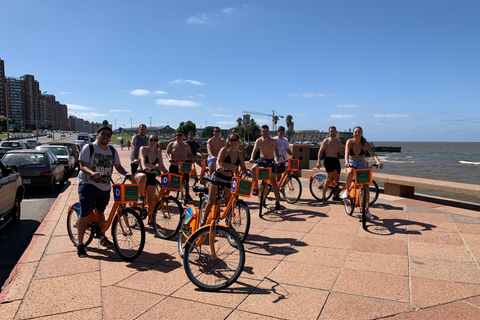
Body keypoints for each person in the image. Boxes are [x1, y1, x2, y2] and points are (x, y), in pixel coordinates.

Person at [76, 125, 133, 258]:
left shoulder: (112, 150)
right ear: (97, 134)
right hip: (88, 184)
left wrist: (126, 174)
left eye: (108, 134)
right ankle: (80, 244)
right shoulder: (89, 148)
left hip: (105, 187)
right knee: (85, 213)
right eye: (103, 134)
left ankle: (102, 237)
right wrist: (92, 173)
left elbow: (118, 166)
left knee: (101, 212)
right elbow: (82, 165)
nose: (106, 136)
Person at [203, 132, 249, 224]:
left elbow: (242, 166)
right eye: (231, 140)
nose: (233, 142)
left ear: (238, 141)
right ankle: (203, 221)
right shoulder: (224, 150)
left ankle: (229, 223)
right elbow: (218, 161)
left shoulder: (240, 154)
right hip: (218, 177)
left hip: (229, 179)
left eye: (235, 140)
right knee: (211, 200)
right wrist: (219, 166)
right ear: (229, 141)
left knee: (229, 203)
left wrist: (246, 173)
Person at [343, 126, 383, 220]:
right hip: (351, 162)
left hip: (361, 163)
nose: (357, 134)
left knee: (366, 187)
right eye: (355, 132)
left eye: (359, 132)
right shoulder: (350, 142)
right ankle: (347, 190)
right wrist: (347, 163)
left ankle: (367, 210)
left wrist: (378, 161)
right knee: (350, 172)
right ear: (353, 133)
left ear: (361, 134)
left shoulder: (365, 144)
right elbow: (346, 154)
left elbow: (372, 154)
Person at [134, 134, 168, 222]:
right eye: (151, 139)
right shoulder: (143, 149)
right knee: (143, 177)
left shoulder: (159, 152)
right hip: (141, 172)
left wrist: (167, 173)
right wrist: (144, 167)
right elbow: (141, 159)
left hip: (151, 175)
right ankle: (140, 197)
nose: (153, 141)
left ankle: (150, 218)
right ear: (148, 141)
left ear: (157, 142)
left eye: (155, 140)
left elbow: (161, 165)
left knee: (151, 200)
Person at [249, 125, 281, 210]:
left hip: (271, 161)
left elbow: (276, 151)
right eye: (263, 131)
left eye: (266, 131)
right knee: (253, 168)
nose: (265, 133)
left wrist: (277, 160)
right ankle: (256, 188)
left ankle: (277, 201)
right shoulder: (259, 140)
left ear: (268, 132)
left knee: (273, 181)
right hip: (261, 160)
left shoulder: (273, 141)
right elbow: (254, 150)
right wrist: (252, 158)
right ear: (261, 132)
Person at [316, 126, 344, 204]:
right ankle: (323, 196)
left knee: (337, 179)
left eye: (333, 131)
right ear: (329, 132)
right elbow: (320, 151)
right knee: (329, 178)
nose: (332, 133)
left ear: (336, 132)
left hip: (335, 160)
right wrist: (318, 162)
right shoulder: (326, 141)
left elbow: (341, 151)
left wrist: (345, 152)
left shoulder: (338, 141)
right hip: (328, 160)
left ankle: (335, 196)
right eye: (331, 131)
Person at [166, 131, 193, 201]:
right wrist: (170, 158)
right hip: (174, 164)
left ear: (183, 136)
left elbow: (190, 154)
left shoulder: (186, 145)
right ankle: (167, 194)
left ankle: (187, 195)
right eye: (178, 135)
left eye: (180, 135)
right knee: (170, 180)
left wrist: (191, 159)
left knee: (186, 181)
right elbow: (167, 153)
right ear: (176, 136)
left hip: (183, 165)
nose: (179, 136)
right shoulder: (172, 144)